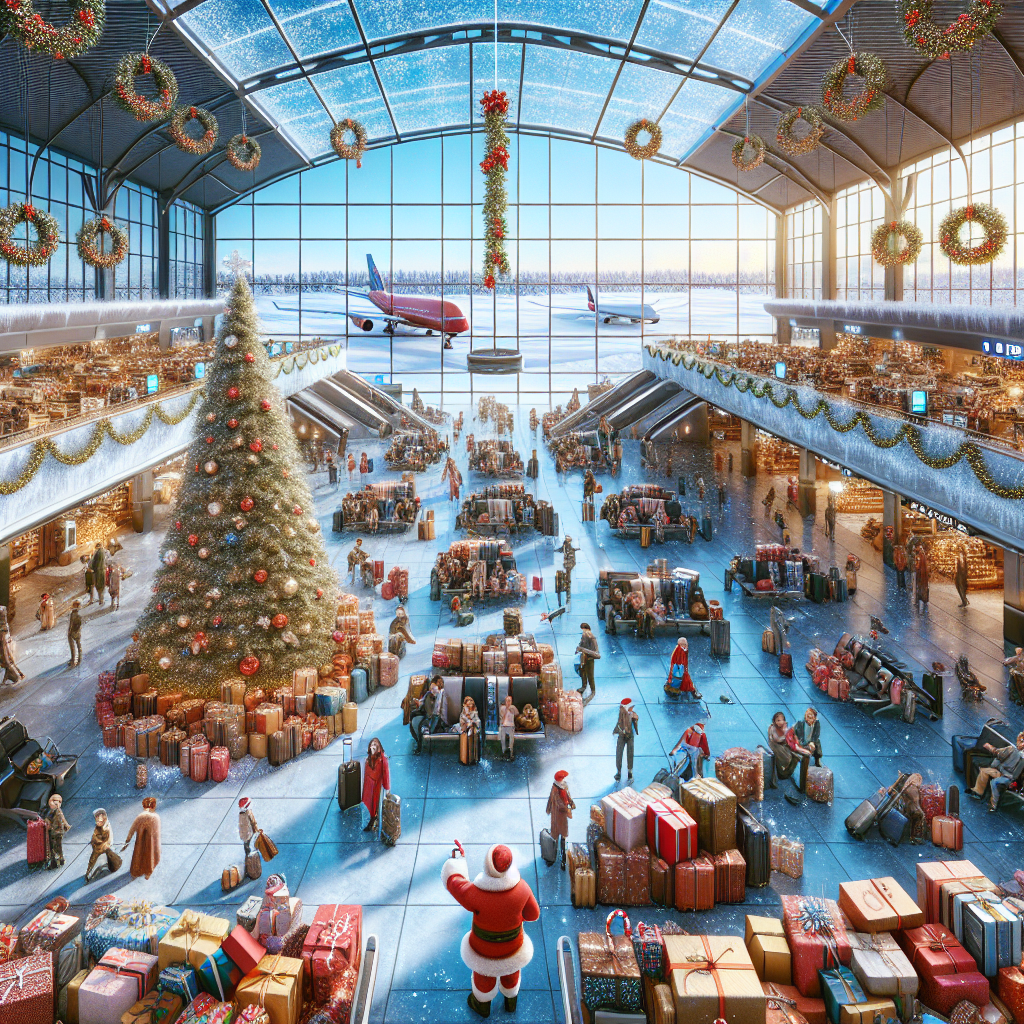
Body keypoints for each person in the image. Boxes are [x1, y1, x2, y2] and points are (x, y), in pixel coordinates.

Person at [442, 843, 540, 1018]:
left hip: (483, 949)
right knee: (511, 971)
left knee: (484, 976)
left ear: (487, 866)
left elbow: (455, 883)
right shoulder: (522, 888)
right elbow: (533, 914)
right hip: (513, 947)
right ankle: (511, 1002)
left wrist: (457, 861)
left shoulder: (475, 894)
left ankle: (482, 1005)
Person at [969, 731, 1024, 811]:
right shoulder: (1012, 749)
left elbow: (1017, 775)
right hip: (1002, 772)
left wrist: (989, 747)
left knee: (995, 782)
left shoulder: (1019, 756)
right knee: (984, 771)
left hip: (1009, 777)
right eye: (1022, 741)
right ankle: (978, 793)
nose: (1022, 744)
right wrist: (990, 748)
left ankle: (993, 805)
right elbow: (999, 753)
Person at [767, 711, 809, 795]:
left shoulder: (783, 727)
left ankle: (797, 755)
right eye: (778, 720)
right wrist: (786, 734)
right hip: (776, 747)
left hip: (783, 746)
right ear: (774, 721)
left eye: (782, 720)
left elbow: (788, 736)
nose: (780, 722)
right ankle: (791, 763)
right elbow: (777, 739)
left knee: (794, 745)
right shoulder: (772, 728)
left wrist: (788, 733)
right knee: (786, 762)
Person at [121, 796, 161, 879]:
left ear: (144, 806)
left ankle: (136, 872)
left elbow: (131, 831)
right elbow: (157, 835)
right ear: (153, 805)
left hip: (140, 842)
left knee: (138, 856)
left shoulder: (140, 816)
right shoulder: (156, 817)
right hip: (151, 843)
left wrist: (126, 842)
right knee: (150, 856)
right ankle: (148, 872)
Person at [545, 770, 575, 870]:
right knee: (556, 835)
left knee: (562, 836)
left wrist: (571, 802)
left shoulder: (564, 786)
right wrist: (567, 809)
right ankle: (554, 857)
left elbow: (567, 796)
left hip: (563, 816)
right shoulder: (555, 789)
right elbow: (557, 802)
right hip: (557, 815)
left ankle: (563, 858)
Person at [411, 678, 449, 754]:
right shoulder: (429, 694)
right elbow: (422, 703)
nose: (431, 690)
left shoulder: (441, 695)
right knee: (413, 715)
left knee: (424, 727)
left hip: (435, 717)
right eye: (431, 688)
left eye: (433, 688)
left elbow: (440, 710)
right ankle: (419, 743)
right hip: (427, 714)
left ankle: (420, 747)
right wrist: (418, 702)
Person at [85, 807, 122, 882]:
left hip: (103, 846)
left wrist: (97, 842)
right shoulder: (98, 827)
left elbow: (107, 839)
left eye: (101, 816)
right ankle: (89, 872)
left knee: (94, 858)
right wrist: (93, 841)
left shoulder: (106, 827)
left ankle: (89, 873)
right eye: (97, 817)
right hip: (98, 846)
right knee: (92, 859)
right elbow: (95, 836)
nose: (99, 819)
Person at [362, 737, 390, 833]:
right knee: (370, 805)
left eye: (375, 745)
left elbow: (385, 774)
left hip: (376, 786)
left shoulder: (383, 760)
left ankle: (373, 821)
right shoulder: (368, 759)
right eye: (371, 745)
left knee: (375, 805)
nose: (372, 747)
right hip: (369, 786)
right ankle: (373, 819)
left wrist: (387, 788)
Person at [612, 697, 639, 783]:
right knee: (619, 753)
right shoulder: (622, 713)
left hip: (630, 736)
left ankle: (630, 772)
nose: (632, 708)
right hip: (622, 736)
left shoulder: (632, 713)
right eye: (631, 707)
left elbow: (635, 721)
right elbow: (619, 723)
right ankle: (619, 772)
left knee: (630, 753)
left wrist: (635, 719)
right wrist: (619, 730)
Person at [895, 772, 926, 844]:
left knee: (914, 817)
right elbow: (916, 803)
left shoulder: (906, 787)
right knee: (919, 815)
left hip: (906, 809)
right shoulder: (913, 788)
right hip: (911, 809)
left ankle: (913, 837)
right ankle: (916, 838)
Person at [44, 793, 70, 869]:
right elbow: (63, 820)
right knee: (58, 846)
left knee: (53, 847)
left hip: (54, 832)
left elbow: (49, 820)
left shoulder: (54, 811)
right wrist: (66, 826)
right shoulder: (58, 810)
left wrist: (47, 823)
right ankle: (60, 859)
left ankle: (54, 862)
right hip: (58, 832)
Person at [575, 622, 600, 699]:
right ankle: (584, 686)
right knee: (582, 672)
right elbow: (581, 645)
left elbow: (596, 653)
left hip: (589, 658)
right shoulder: (584, 636)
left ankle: (593, 689)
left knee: (590, 675)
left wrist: (582, 649)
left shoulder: (591, 637)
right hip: (583, 657)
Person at [0, 607, 23, 683]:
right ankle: (16, 673)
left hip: (2, 635)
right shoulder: (3, 608)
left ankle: (13, 675)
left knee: (5, 656)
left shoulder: (1, 610)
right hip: (4, 634)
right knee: (7, 655)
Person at [459, 696, 482, 763]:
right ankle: (464, 758)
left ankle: (474, 758)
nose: (469, 706)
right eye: (468, 705)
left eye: (470, 704)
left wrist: (474, 722)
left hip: (473, 729)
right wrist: (468, 723)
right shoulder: (464, 713)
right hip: (465, 729)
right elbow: (462, 719)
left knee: (474, 735)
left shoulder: (474, 712)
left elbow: (477, 720)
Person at [498, 694, 518, 762]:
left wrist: (512, 710)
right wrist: (506, 710)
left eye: (510, 701)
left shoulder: (513, 707)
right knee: (503, 739)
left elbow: (517, 714)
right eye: (507, 701)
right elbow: (501, 716)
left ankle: (511, 753)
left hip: (511, 726)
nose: (508, 702)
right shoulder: (502, 708)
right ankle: (504, 752)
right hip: (503, 725)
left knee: (511, 740)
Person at [90, 542, 107, 607]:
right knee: (102, 585)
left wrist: (92, 568)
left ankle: (100, 600)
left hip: (97, 571)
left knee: (98, 585)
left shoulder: (97, 553)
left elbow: (93, 562)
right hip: (102, 571)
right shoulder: (103, 552)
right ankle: (101, 600)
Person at [67, 600, 82, 668]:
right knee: (78, 645)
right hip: (76, 632)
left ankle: (74, 661)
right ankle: (78, 659)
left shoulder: (74, 614)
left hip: (73, 632)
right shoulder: (76, 614)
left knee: (73, 647)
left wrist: (70, 631)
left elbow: (74, 624)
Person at [914, 545, 930, 609]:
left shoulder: (920, 557)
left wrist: (916, 566)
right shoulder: (923, 557)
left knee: (920, 587)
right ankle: (924, 599)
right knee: (923, 587)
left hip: (921, 575)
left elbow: (918, 566)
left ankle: (921, 599)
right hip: (923, 576)